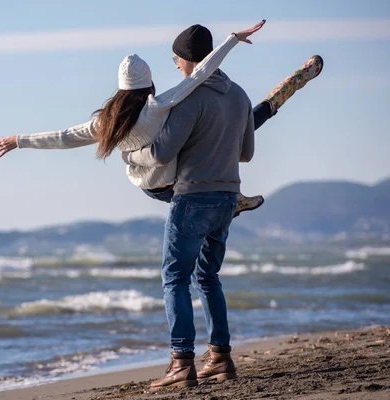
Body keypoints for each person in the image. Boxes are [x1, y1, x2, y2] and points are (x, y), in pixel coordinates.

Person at [121, 26, 322, 391]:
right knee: (208, 277)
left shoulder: (189, 99)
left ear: (186, 59)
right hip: (227, 198)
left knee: (175, 279)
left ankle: (182, 363)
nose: (176, 66)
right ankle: (220, 358)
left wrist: (129, 152)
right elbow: (245, 153)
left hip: (193, 199)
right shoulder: (240, 95)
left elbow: (163, 153)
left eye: (176, 59)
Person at [0, 20, 270, 217]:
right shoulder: (158, 105)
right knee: (211, 131)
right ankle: (235, 190)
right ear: (149, 84)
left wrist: (19, 141)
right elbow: (199, 75)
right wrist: (232, 40)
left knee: (196, 131)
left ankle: (234, 196)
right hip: (175, 186)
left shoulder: (106, 122)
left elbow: (65, 137)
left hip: (149, 186)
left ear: (122, 87)